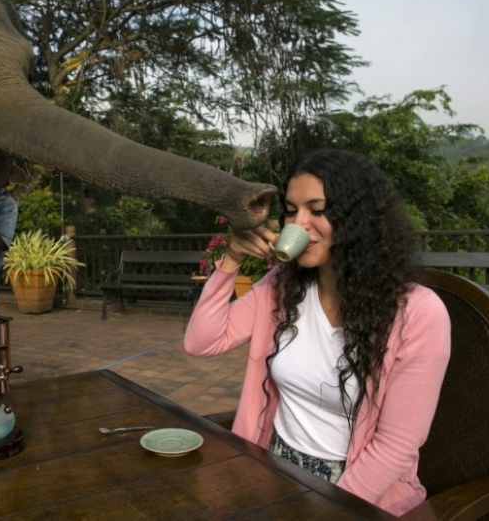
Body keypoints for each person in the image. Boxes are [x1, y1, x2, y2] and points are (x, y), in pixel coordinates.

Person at [184, 149, 450, 516]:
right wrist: (230, 261)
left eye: (317, 210)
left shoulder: (418, 312)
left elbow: (397, 445)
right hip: (272, 470)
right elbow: (202, 342)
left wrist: (327, 508)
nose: (299, 224)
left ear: (357, 218)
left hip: (358, 492)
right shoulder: (282, 285)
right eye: (292, 210)